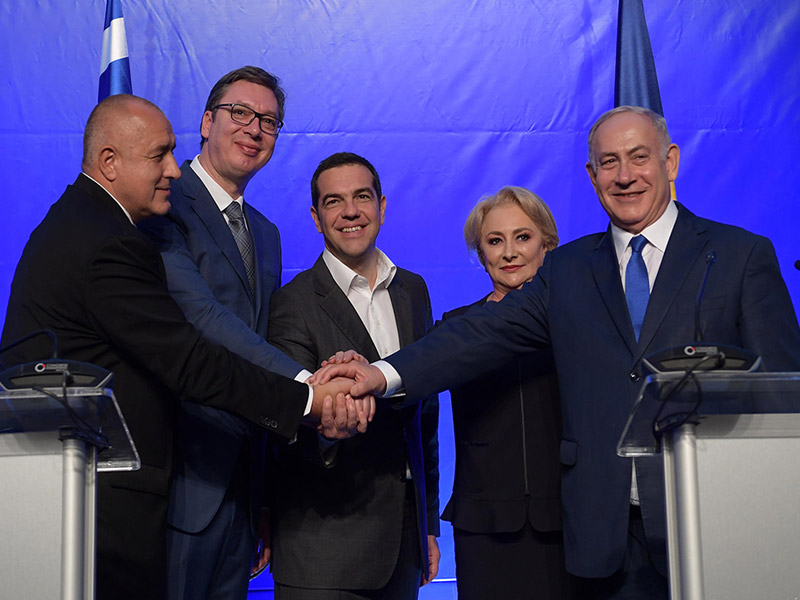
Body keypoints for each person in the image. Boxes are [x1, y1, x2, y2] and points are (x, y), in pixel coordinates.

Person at [313, 106, 800, 598]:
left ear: (670, 162)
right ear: (592, 176)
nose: (625, 175)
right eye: (609, 162)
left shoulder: (740, 255)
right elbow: (477, 335)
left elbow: (783, 400)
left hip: (714, 523)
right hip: (603, 539)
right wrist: (380, 374)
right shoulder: (567, 270)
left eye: (638, 157)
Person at [0, 94, 366, 600]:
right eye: (160, 155)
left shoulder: (83, 224)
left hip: (112, 493)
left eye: (269, 121)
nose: (173, 169)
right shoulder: (113, 240)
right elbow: (190, 359)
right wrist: (306, 399)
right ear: (109, 162)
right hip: (93, 501)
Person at [139, 66, 310, 599]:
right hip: (178, 474)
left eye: (269, 121)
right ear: (207, 121)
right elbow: (205, 319)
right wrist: (309, 387)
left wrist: (262, 495)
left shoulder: (267, 232)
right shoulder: (163, 201)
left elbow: (263, 341)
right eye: (240, 113)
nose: (254, 129)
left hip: (242, 484)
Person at [267, 152, 440, 599]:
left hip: (404, 544)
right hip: (324, 550)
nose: (350, 212)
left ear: (382, 206)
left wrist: (428, 522)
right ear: (316, 216)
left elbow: (426, 415)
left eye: (362, 197)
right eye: (333, 201)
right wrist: (329, 423)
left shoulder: (414, 291)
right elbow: (283, 421)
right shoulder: (292, 303)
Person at [441, 186, 573, 600]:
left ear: (547, 245)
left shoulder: (577, 324)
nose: (509, 252)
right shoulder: (455, 328)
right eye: (495, 241)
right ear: (482, 254)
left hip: (566, 519)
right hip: (485, 527)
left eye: (523, 237)